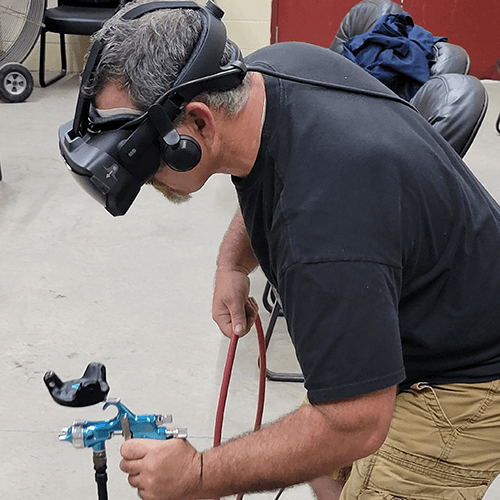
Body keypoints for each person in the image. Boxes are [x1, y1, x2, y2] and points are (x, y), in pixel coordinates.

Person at [79, 1, 500, 499]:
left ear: (197, 125)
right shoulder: (274, 70)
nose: (148, 180)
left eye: (145, 161)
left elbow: (356, 423)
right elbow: (264, 168)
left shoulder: (321, 226)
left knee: (333, 436)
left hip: (467, 382)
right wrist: (232, 260)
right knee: (322, 467)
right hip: (431, 309)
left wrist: (197, 476)